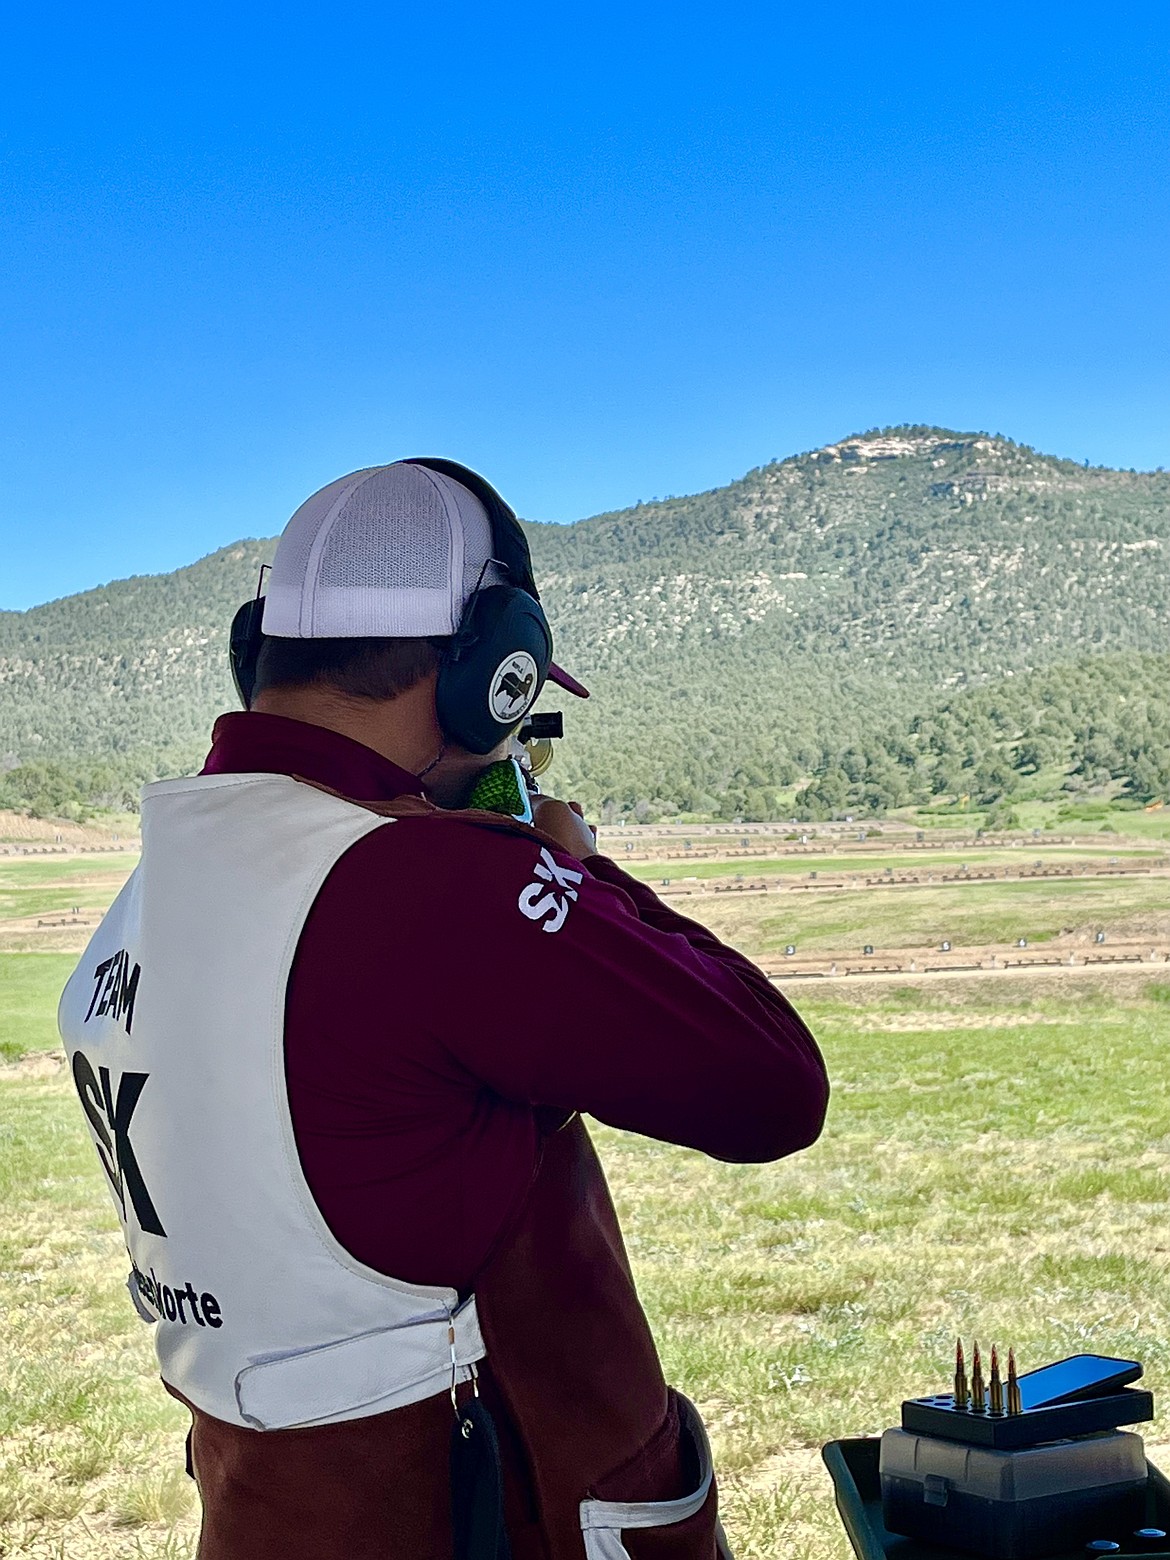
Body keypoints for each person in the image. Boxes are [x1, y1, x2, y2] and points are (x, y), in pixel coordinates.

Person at [59, 459, 829, 1560]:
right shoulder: (422, 886)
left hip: (260, 1506)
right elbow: (773, 1086)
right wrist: (574, 871)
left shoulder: (145, 900)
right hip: (485, 1509)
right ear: (496, 673)